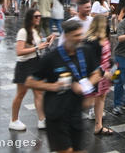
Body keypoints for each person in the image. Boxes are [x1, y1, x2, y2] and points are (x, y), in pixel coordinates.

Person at [26, 20, 102, 153]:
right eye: (76, 35)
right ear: (66, 36)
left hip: (76, 112)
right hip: (56, 114)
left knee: (78, 150)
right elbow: (30, 82)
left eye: (81, 34)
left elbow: (96, 73)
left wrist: (86, 86)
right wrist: (53, 86)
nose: (80, 38)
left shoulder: (86, 51)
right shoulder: (51, 57)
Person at [10, 9, 53, 131]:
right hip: (24, 65)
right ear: (30, 18)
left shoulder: (35, 30)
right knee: (21, 94)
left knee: (38, 92)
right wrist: (36, 48)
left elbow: (39, 42)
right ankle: (14, 120)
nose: (39, 18)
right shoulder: (23, 32)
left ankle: (42, 119)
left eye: (40, 16)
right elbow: (19, 51)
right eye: (36, 16)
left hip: (35, 63)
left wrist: (48, 39)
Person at [83, 15, 115, 134]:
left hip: (105, 73)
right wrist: (103, 73)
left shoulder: (104, 37)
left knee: (101, 98)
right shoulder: (91, 41)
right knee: (88, 100)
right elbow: (91, 62)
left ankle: (99, 125)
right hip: (97, 74)